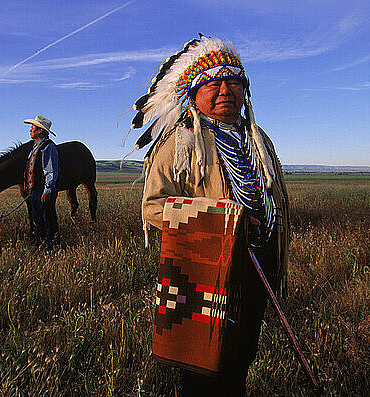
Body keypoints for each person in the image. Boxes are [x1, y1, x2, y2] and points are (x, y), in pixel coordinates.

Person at [129, 36, 290, 396]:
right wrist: (224, 223)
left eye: (233, 81)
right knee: (203, 366)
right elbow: (153, 205)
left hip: (257, 265)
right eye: (213, 82)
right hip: (206, 271)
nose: (224, 90)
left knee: (241, 357)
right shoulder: (182, 141)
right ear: (193, 92)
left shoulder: (258, 139)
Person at [23, 115, 60, 249]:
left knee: (48, 218)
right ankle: (41, 244)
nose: (30, 130)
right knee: (38, 219)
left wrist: (47, 190)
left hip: (43, 190)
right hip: (35, 190)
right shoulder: (35, 147)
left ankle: (52, 246)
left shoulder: (48, 147)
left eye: (33, 128)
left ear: (40, 131)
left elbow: (50, 170)